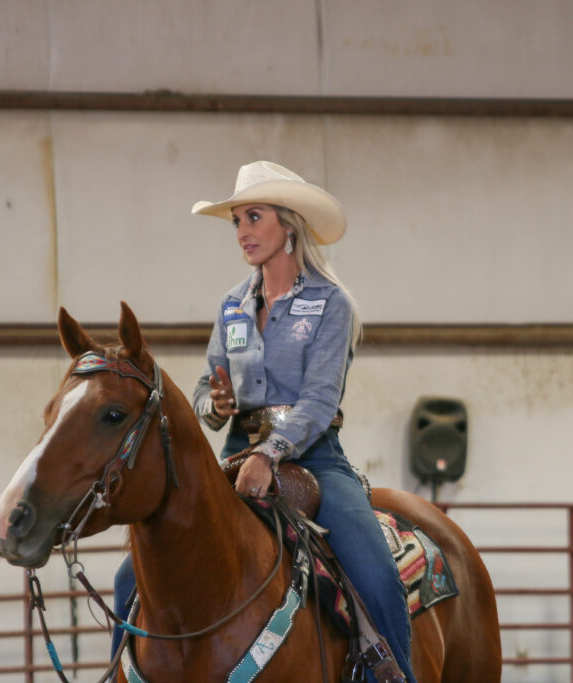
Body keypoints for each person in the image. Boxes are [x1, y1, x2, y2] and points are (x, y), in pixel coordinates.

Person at [112, 161, 414, 682]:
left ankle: (392, 674)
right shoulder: (232, 306)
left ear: (289, 224)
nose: (242, 231)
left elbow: (320, 401)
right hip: (233, 454)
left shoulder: (329, 304)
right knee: (129, 578)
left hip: (315, 457)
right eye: (236, 221)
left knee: (375, 571)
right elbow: (207, 389)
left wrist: (268, 454)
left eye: (253, 217)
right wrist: (217, 404)